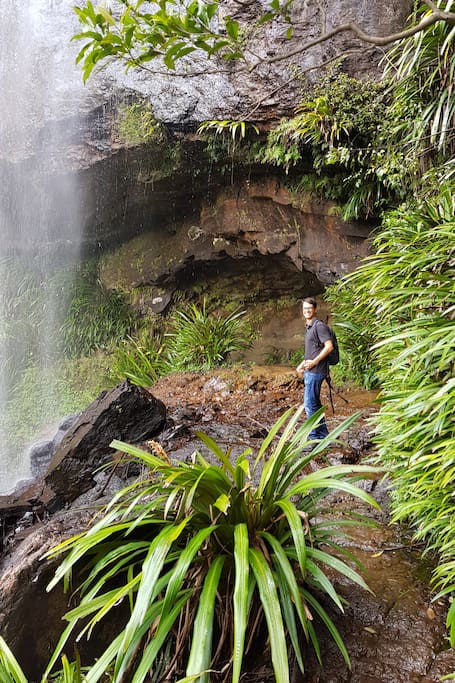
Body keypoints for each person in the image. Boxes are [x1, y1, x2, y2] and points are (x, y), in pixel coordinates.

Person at [296, 297, 334, 440]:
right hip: (311, 370)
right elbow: (314, 350)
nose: (307, 311)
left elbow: (329, 347)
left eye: (309, 308)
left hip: (316, 371)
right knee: (315, 405)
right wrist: (304, 362)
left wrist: (313, 362)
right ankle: (323, 435)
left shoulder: (319, 326)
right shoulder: (309, 327)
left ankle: (313, 438)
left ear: (315, 309)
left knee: (309, 405)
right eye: (305, 308)